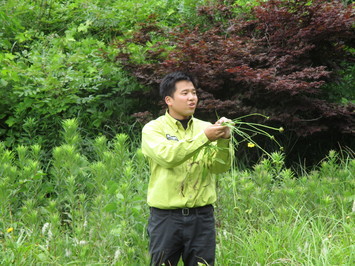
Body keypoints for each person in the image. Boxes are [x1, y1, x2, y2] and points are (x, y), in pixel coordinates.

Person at [141, 71, 232, 266]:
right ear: (169, 100)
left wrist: (225, 140)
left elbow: (219, 167)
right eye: (184, 93)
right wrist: (205, 138)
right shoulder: (152, 129)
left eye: (194, 93)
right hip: (166, 218)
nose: (192, 98)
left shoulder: (205, 127)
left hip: (202, 217)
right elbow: (168, 157)